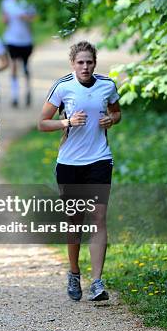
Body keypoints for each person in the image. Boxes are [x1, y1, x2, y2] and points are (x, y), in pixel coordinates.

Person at [37, 41, 121, 302]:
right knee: (75, 220)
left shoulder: (107, 84)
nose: (85, 67)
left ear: (95, 63)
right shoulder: (63, 86)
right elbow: (42, 123)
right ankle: (74, 273)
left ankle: (97, 281)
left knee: (98, 217)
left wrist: (112, 119)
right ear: (72, 64)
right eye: (80, 62)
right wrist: (67, 121)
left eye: (89, 62)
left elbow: (117, 112)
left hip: (99, 159)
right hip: (70, 163)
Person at [2, 0, 37, 107]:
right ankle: (15, 95)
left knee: (26, 67)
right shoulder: (6, 3)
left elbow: (34, 17)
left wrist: (25, 17)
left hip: (26, 39)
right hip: (12, 39)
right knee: (14, 65)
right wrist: (5, 19)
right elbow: (4, 19)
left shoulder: (27, 2)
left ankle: (28, 91)